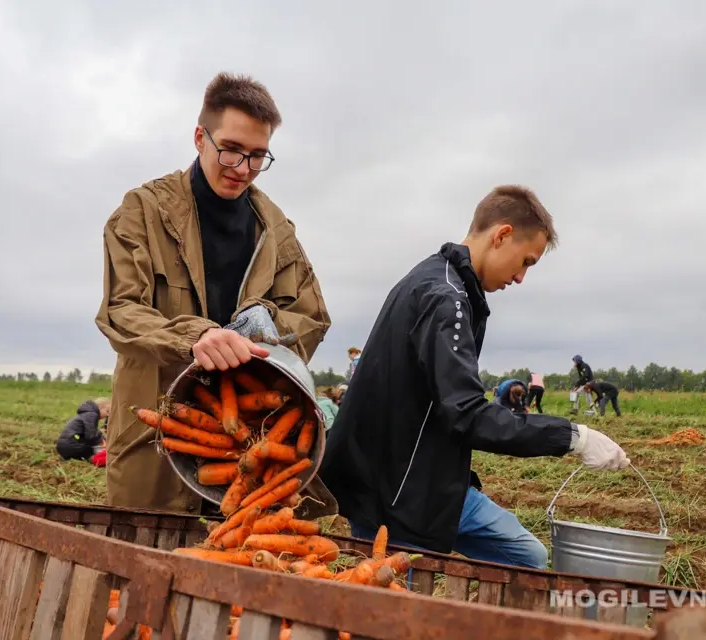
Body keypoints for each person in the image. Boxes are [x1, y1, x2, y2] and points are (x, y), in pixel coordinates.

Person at [319, 185, 630, 570]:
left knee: (527, 556)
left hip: (416, 480)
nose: (520, 278)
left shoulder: (435, 281)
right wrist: (572, 437)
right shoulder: (445, 297)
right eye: (526, 261)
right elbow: (466, 413)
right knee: (393, 609)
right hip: (401, 496)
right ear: (501, 235)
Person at [95, 72, 331, 513]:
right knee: (147, 563)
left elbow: (312, 315)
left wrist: (269, 324)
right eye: (231, 150)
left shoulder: (276, 230)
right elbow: (120, 311)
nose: (243, 169)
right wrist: (196, 338)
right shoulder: (142, 211)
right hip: (162, 436)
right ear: (200, 137)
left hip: (252, 440)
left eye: (258, 156)